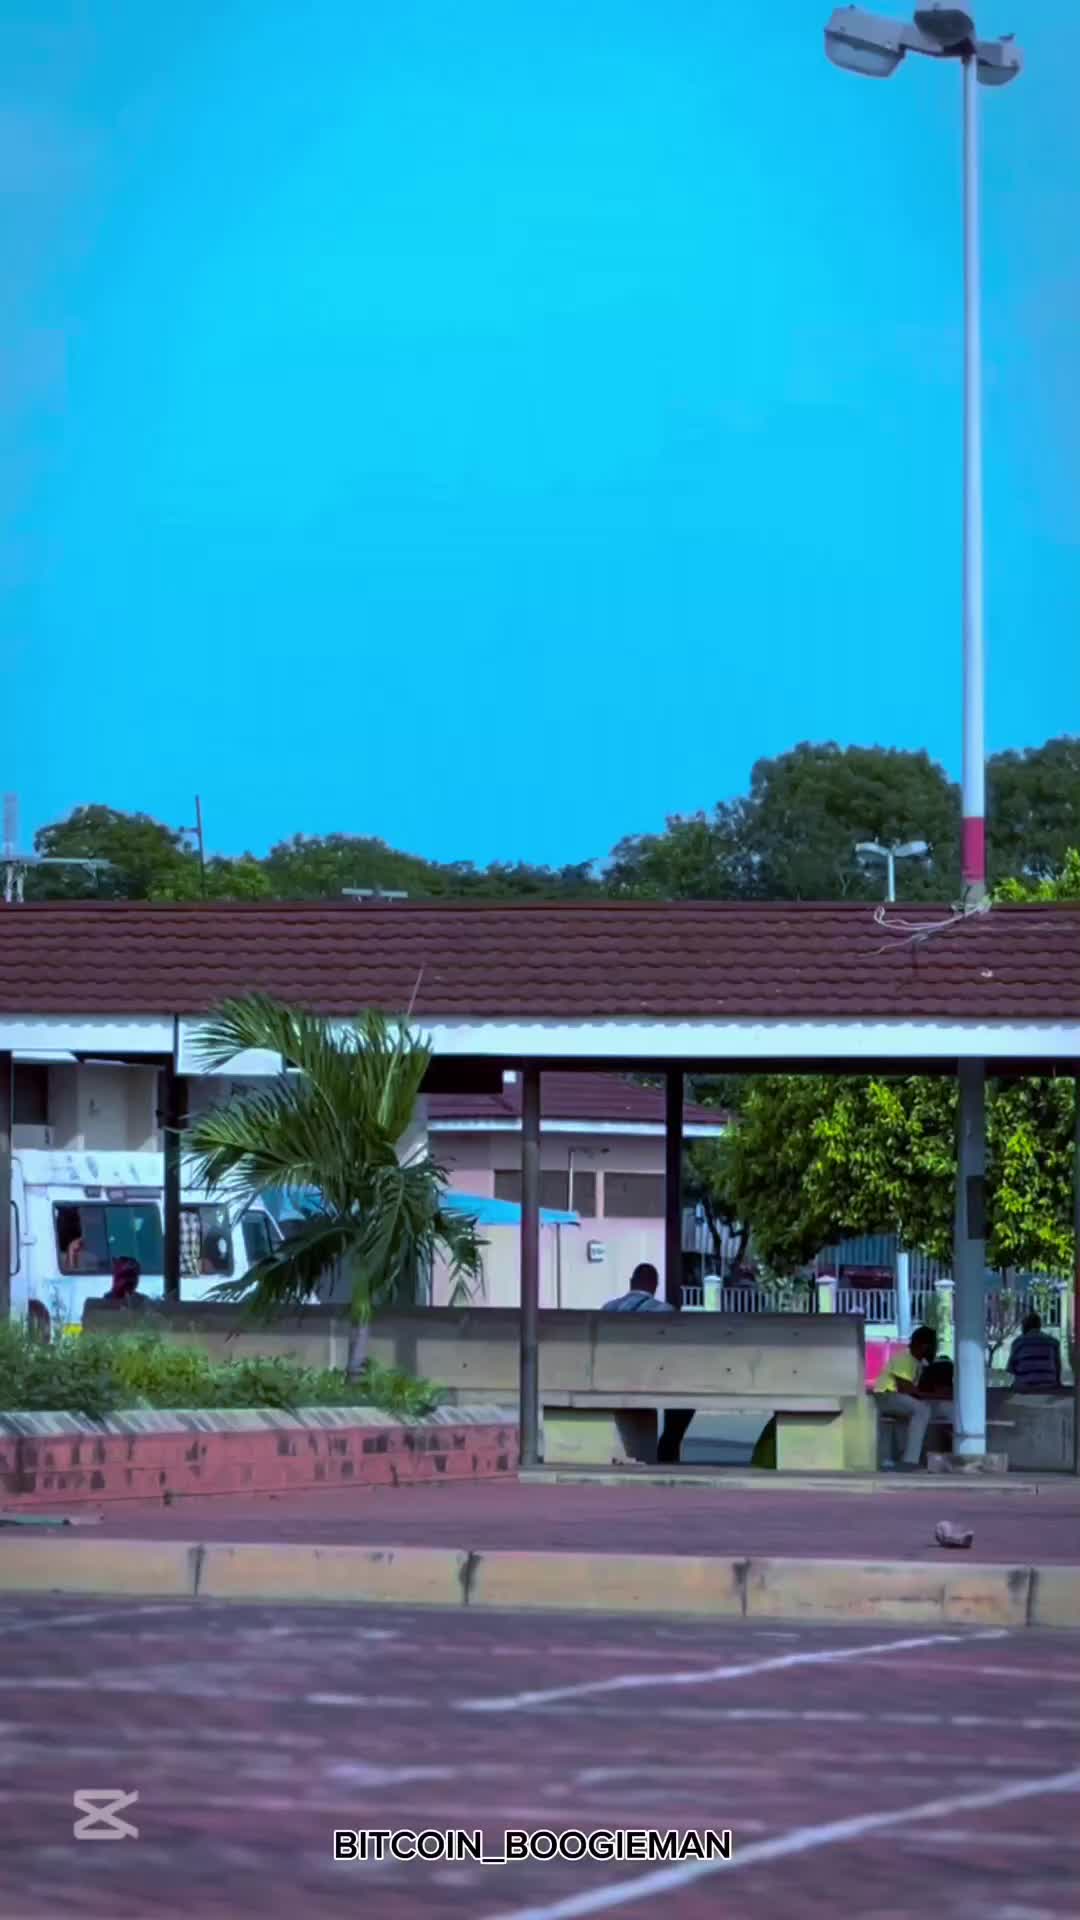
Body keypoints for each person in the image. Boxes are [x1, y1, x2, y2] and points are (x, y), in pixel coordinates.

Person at [601, 1263, 694, 1464]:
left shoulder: (608, 1308)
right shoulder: (664, 1310)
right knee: (685, 1402)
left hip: (609, 1378)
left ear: (631, 1282)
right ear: (655, 1285)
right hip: (648, 1381)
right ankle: (667, 1451)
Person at [873, 1325, 951, 1469]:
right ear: (924, 1346)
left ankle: (902, 1461)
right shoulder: (905, 1358)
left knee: (917, 1411)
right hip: (885, 1397)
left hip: (895, 1398)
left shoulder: (916, 1362)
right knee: (922, 1410)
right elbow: (905, 1389)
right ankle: (910, 1461)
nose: (935, 1349)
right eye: (933, 1345)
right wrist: (936, 1396)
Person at [1007, 1312, 1062, 1392]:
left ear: (1025, 1326)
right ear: (1039, 1325)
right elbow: (1058, 1368)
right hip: (1048, 1386)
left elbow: (1011, 1369)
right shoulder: (1053, 1342)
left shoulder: (1018, 1342)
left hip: (1024, 1387)